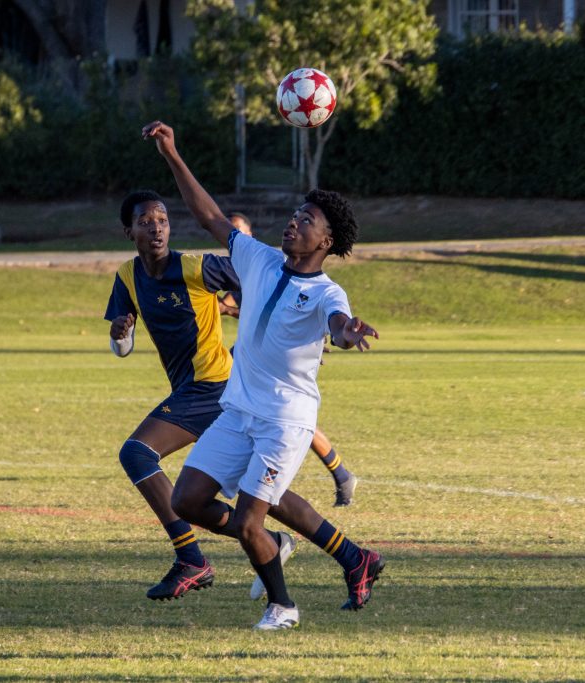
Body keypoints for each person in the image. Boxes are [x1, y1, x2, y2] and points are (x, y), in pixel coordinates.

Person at [143, 120, 385, 631]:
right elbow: (208, 213)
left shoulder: (326, 293)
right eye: (296, 214)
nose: (294, 222)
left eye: (308, 219)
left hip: (284, 421)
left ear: (328, 239)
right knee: (189, 500)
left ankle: (283, 606)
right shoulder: (258, 258)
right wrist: (172, 152)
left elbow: (338, 326)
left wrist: (347, 332)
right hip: (239, 410)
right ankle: (349, 557)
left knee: (253, 515)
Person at [105, 189, 296, 601]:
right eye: (144, 221)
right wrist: (120, 333)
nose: (155, 227)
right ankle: (319, 550)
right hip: (198, 390)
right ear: (128, 231)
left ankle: (191, 558)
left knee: (137, 453)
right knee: (254, 487)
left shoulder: (196, 267)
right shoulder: (126, 276)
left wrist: (278, 329)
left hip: (213, 386)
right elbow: (122, 345)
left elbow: (260, 278)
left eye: (162, 219)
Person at [220, 210, 360, 507]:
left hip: (280, 381)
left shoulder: (267, 262)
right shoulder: (249, 263)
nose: (294, 222)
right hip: (253, 357)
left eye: (240, 230)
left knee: (288, 422)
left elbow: (332, 319)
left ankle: (340, 473)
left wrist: (342, 334)